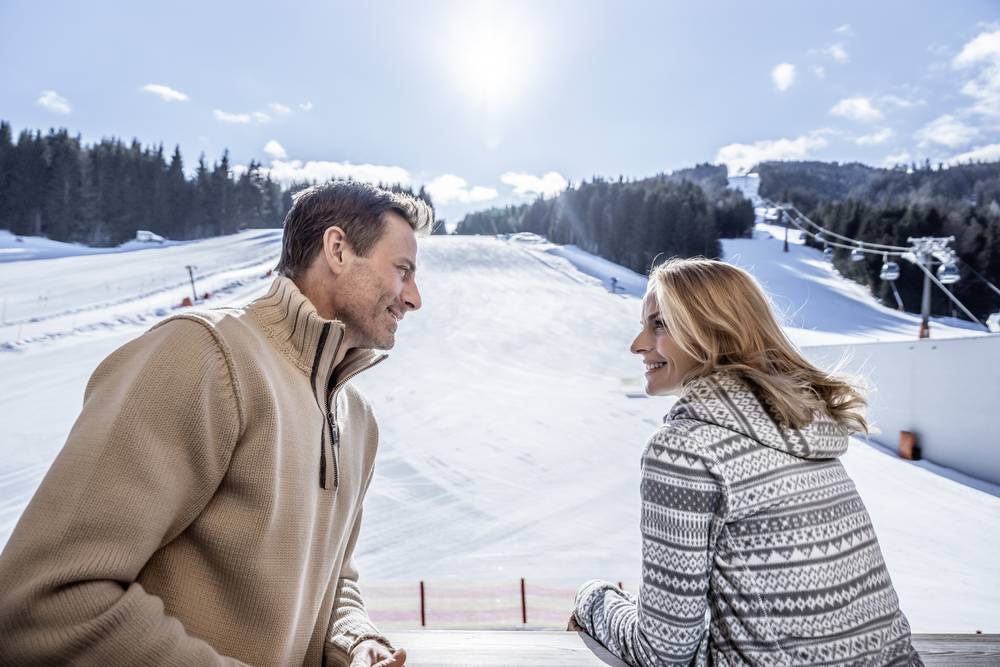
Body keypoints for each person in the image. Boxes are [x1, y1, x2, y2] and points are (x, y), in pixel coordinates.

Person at [0, 181, 432, 667]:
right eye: (403, 271)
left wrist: (353, 641)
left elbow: (334, 580)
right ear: (337, 250)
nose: (414, 298)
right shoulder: (203, 356)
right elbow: (46, 602)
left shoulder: (356, 418)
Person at [570, 257, 922, 666]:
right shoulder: (797, 426)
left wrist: (593, 599)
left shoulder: (687, 449)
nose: (638, 344)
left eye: (659, 324)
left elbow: (664, 653)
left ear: (714, 332)